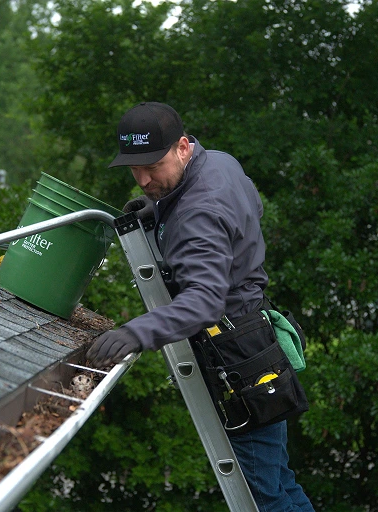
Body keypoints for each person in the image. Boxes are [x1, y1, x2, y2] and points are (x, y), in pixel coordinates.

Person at [86, 102, 314, 512]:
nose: (143, 179)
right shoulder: (220, 164)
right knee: (280, 483)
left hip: (237, 358)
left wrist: (136, 332)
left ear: (183, 148)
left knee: (262, 497)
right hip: (256, 340)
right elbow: (245, 213)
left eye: (152, 166)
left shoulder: (198, 212)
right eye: (134, 169)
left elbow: (204, 301)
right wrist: (159, 210)